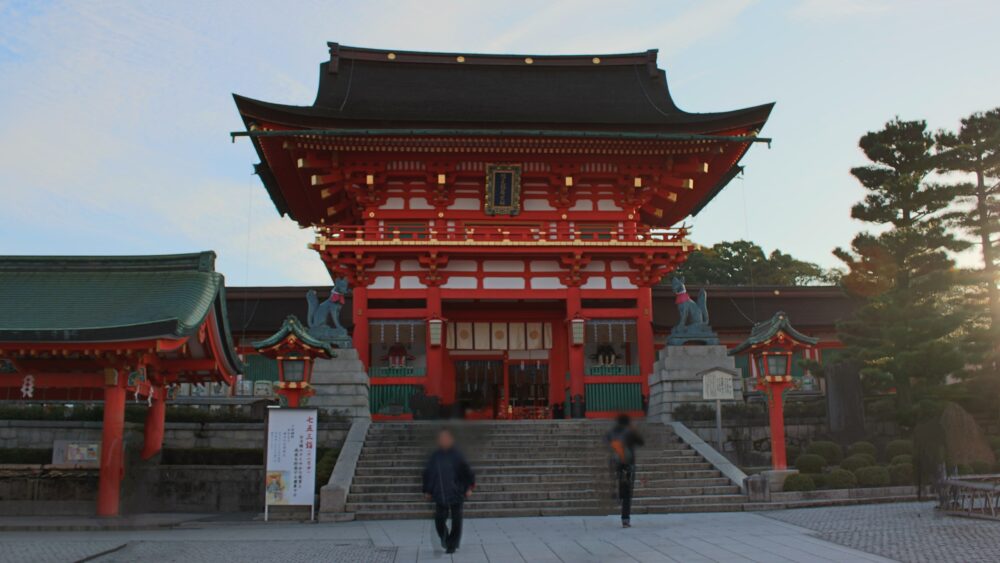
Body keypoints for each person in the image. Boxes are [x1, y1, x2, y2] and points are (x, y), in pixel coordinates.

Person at [422, 428, 475, 554]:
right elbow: (428, 474)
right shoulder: (435, 456)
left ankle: (452, 544)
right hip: (440, 493)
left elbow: (468, 472)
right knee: (439, 520)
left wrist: (469, 487)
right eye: (442, 438)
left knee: (457, 520)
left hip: (456, 492)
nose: (444, 440)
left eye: (446, 438)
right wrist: (427, 490)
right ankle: (445, 537)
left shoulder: (457, 455)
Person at [606, 413, 644, 527]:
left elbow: (608, 442)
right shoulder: (630, 432)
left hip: (617, 464)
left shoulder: (613, 432)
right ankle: (625, 519)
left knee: (621, 487)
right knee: (627, 493)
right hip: (628, 465)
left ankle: (618, 494)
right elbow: (640, 442)